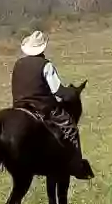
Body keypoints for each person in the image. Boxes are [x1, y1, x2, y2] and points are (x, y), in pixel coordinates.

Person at [11, 30, 85, 170]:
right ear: (42, 48)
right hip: (41, 108)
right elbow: (58, 91)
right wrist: (72, 93)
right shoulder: (45, 65)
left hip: (19, 107)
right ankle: (77, 165)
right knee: (71, 128)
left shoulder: (18, 64)